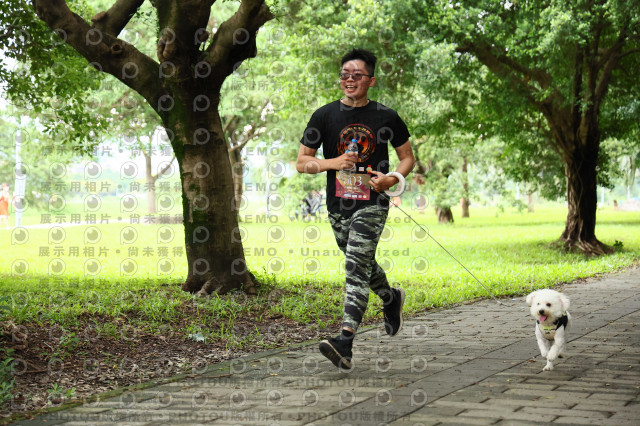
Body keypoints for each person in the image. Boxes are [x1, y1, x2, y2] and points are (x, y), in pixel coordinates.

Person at [296, 48, 415, 369]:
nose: (350, 80)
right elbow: (302, 162)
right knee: (360, 262)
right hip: (338, 205)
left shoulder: (386, 116)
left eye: (357, 75)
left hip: (372, 202)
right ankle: (390, 297)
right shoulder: (323, 116)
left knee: (354, 267)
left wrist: (391, 179)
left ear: (370, 80)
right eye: (345, 74)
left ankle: (345, 341)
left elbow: (407, 158)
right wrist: (333, 162)